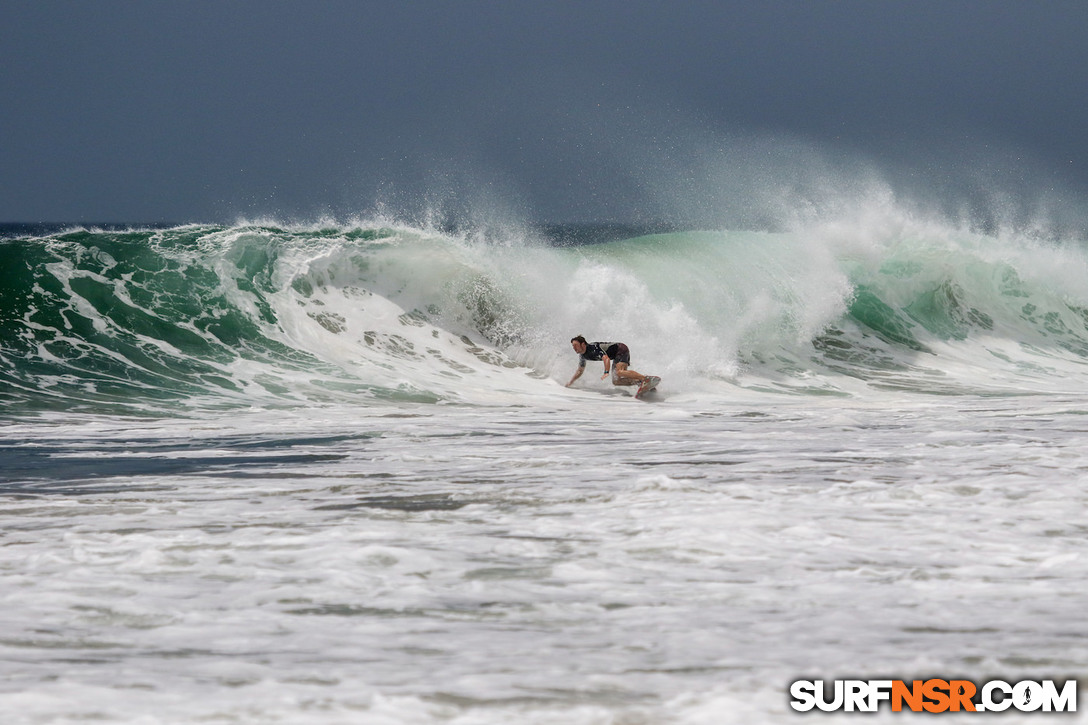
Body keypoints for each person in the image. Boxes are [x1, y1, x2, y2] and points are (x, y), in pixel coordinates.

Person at [567, 335, 651, 388]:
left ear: (583, 344)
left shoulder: (593, 348)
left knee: (620, 372)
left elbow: (606, 358)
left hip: (620, 349)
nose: (574, 348)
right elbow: (580, 371)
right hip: (615, 356)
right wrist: (571, 382)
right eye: (573, 346)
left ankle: (645, 379)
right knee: (616, 381)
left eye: (576, 345)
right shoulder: (582, 355)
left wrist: (606, 372)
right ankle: (639, 382)